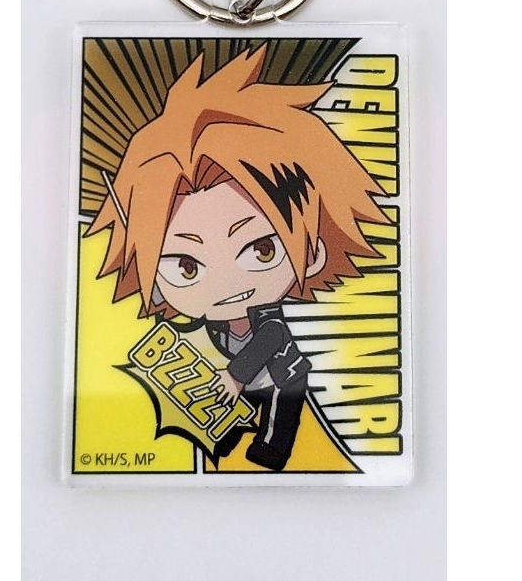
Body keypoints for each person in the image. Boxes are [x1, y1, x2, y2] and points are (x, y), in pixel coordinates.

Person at [86, 45, 388, 470]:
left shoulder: (268, 321)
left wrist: (236, 375)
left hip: (281, 375)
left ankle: (273, 451)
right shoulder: (208, 316)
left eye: (262, 249)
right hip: (240, 374)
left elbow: (270, 339)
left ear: (313, 253)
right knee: (227, 410)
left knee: (278, 417)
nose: (224, 283)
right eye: (186, 266)